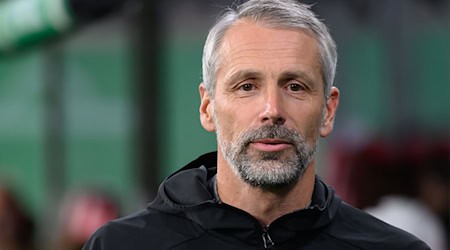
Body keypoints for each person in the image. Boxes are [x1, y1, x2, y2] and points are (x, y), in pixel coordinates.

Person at [83, 0, 430, 249]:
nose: (271, 109)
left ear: (328, 110)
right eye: (246, 86)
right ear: (208, 108)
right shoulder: (122, 244)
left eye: (295, 86)